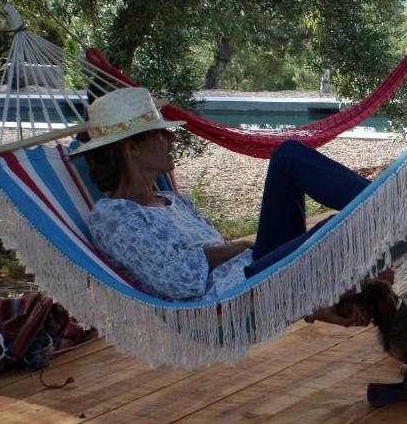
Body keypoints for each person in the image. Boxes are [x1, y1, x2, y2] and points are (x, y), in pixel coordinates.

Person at [71, 87, 373, 325]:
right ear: (131, 148)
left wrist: (316, 310)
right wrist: (241, 246)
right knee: (333, 228)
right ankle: (382, 206)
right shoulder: (113, 217)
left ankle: (382, 203)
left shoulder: (176, 201)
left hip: (254, 274)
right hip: (228, 300)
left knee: (289, 156)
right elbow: (180, 280)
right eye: (161, 133)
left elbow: (213, 257)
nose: (171, 140)